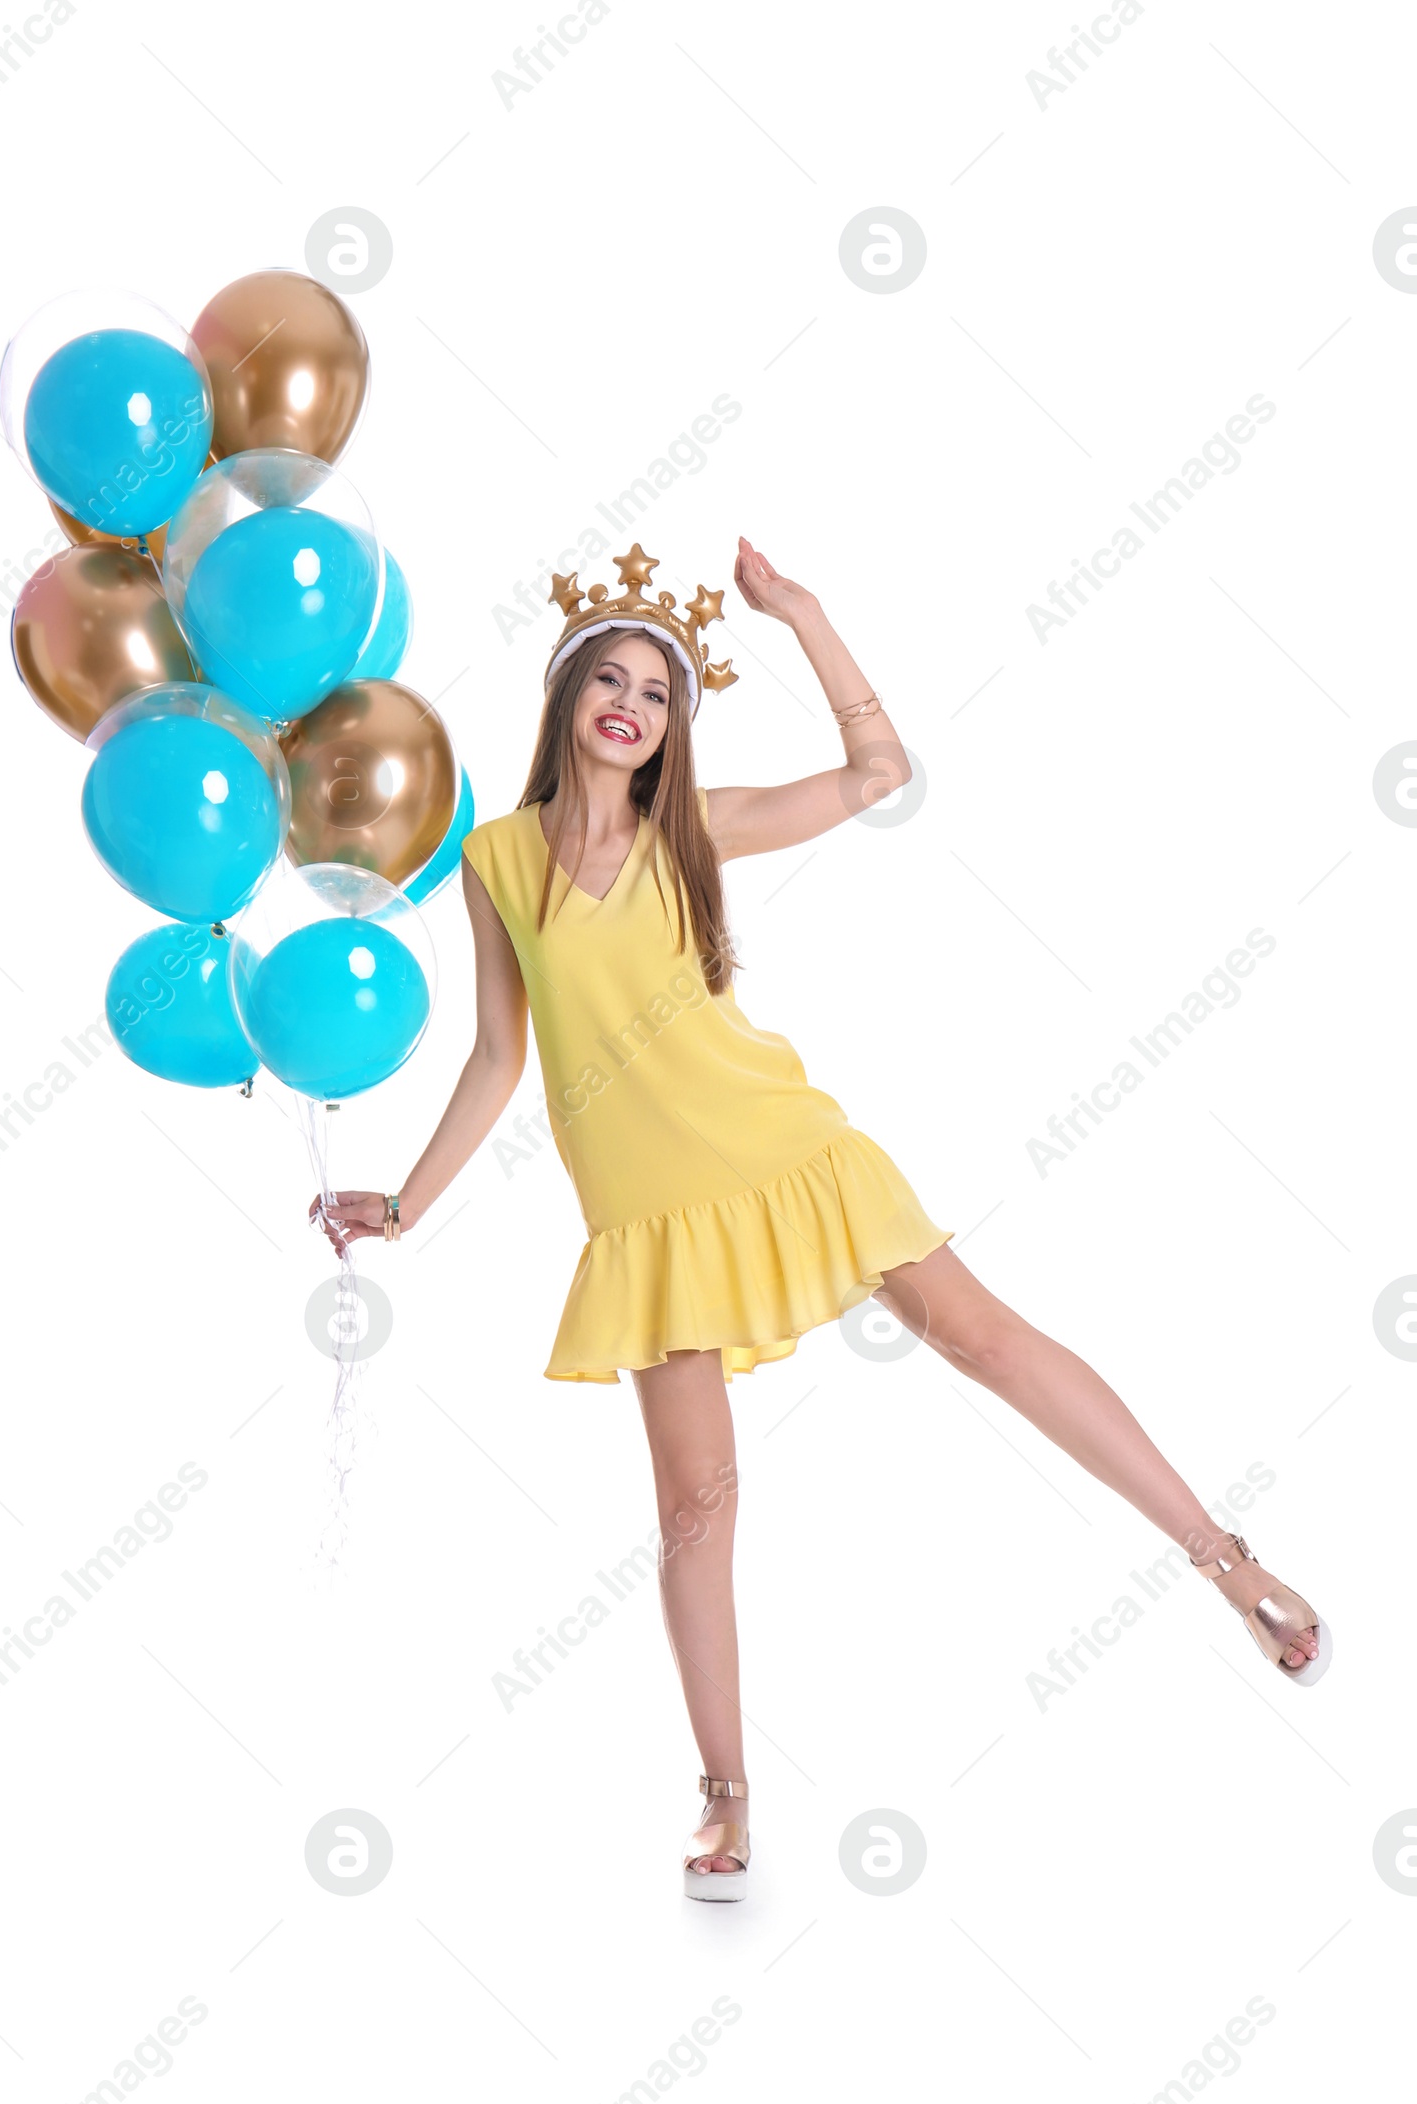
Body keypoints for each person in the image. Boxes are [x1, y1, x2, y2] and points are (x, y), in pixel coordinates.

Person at [310, 537, 1330, 1903]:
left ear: (676, 723)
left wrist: (804, 614)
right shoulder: (496, 861)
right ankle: (727, 1797)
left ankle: (1227, 1559)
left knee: (990, 1344)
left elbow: (875, 777)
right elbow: (498, 1056)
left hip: (786, 1151)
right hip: (652, 1215)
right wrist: (405, 1206)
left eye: (658, 691)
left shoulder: (697, 826)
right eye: (607, 681)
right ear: (562, 703)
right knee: (695, 1507)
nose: (631, 703)